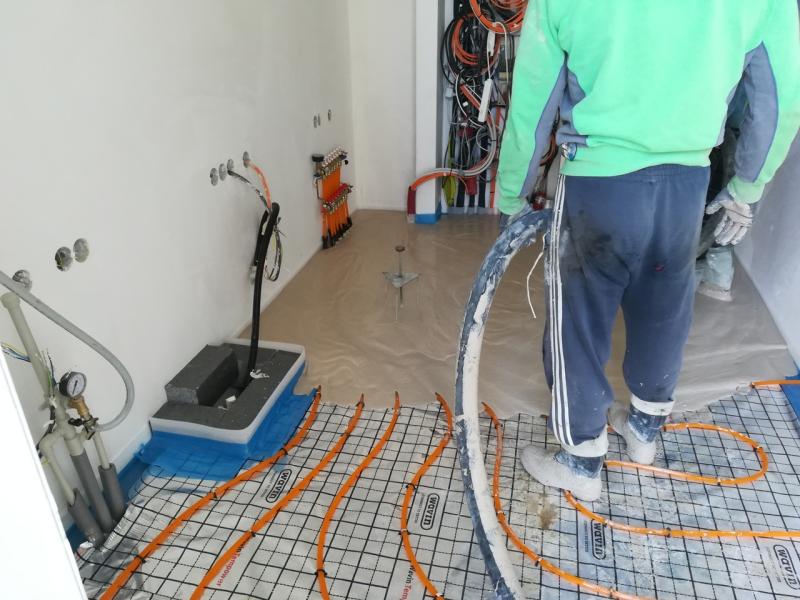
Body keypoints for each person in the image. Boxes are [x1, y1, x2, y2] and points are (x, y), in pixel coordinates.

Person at [496, 1, 800, 501]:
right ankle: (643, 430)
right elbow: (780, 95)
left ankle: (581, 460)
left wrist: (513, 193)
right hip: (686, 180)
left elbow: (533, 97)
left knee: (578, 322)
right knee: (664, 306)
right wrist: (748, 185)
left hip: (598, 180)